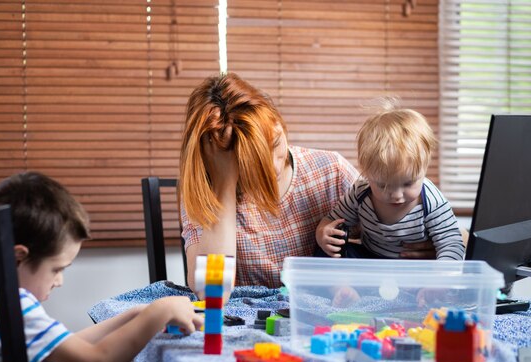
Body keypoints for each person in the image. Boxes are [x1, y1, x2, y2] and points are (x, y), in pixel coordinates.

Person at [0, 172, 203, 362]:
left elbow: (69, 343)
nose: (59, 281)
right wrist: (158, 311)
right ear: (18, 258)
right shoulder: (10, 308)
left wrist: (135, 314)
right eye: (57, 269)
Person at [178, 73, 437, 294]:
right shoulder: (206, 194)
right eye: (254, 162)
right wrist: (224, 183)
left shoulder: (329, 171)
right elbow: (210, 291)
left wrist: (426, 246)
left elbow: (427, 218)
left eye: (277, 143)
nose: (275, 167)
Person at [316, 98, 465, 261]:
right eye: (383, 185)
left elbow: (452, 243)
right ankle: (342, 286)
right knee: (327, 250)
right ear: (366, 173)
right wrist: (323, 233)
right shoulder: (360, 192)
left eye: (408, 183)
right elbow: (332, 221)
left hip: (415, 265)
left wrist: (438, 280)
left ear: (425, 167)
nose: (396, 195)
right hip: (371, 259)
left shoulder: (431, 201)